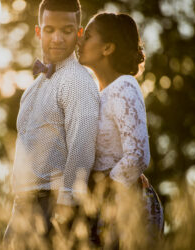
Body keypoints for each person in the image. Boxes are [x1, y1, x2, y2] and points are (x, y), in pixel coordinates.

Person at [3, 0, 100, 247]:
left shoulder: (77, 81)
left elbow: (82, 146)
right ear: (38, 31)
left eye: (66, 31)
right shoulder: (33, 87)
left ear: (79, 34)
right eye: (49, 30)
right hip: (23, 206)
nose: (57, 38)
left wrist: (65, 207)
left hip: (53, 204)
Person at [78, 13, 164, 248]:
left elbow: (138, 155)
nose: (79, 41)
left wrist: (105, 189)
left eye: (87, 36)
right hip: (103, 210)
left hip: (129, 207)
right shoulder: (96, 97)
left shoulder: (124, 86)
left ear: (107, 48)